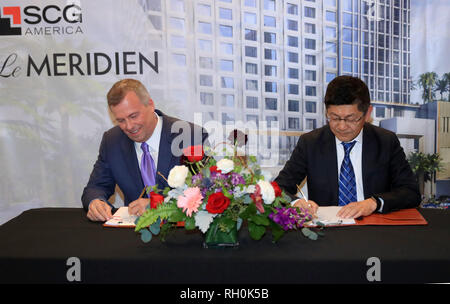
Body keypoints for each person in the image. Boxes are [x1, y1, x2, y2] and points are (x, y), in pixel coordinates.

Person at [274, 76, 420, 219]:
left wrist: (374, 203)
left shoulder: (386, 141)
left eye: (350, 119)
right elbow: (280, 188)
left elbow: (411, 191)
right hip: (327, 231)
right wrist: (296, 202)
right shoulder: (310, 143)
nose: (342, 127)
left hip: (374, 229)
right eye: (335, 118)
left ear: (368, 113)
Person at [82, 79, 208, 221]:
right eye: (121, 120)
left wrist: (158, 205)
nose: (129, 126)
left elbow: (206, 192)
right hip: (133, 235)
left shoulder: (189, 136)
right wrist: (96, 202)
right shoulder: (112, 141)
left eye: (133, 116)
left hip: (180, 233)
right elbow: (96, 187)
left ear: (150, 104)